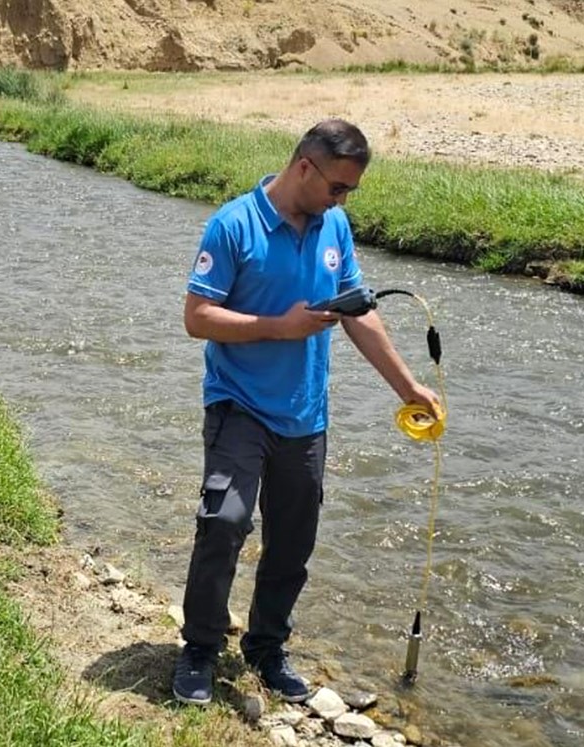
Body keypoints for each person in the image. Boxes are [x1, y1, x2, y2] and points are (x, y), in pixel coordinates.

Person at [173, 118, 439, 705]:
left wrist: (408, 387)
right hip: (238, 405)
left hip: (305, 417)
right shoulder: (234, 224)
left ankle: (267, 649)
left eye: (350, 191)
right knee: (224, 522)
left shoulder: (334, 226)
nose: (343, 200)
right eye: (338, 187)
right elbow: (197, 318)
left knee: (293, 544)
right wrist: (280, 327)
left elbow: (357, 312)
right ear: (303, 168)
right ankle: (199, 649)